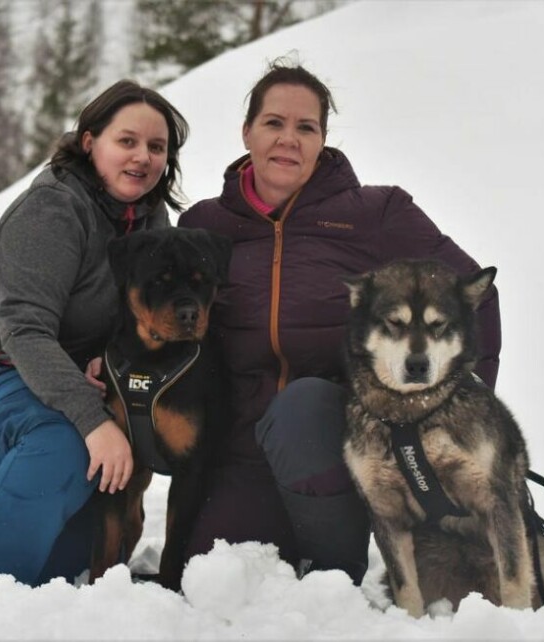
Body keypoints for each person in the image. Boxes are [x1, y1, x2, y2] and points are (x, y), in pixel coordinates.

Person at [176, 62, 501, 585]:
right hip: (241, 450)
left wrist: (464, 416)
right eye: (274, 123)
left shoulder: (376, 213)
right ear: (247, 132)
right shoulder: (204, 225)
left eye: (306, 127)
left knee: (301, 406)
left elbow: (472, 295)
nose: (289, 139)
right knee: (211, 583)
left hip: (344, 439)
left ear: (323, 140)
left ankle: (334, 573)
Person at [0, 80, 189, 600]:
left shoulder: (150, 219)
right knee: (66, 442)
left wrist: (106, 359)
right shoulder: (54, 208)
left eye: (157, 147)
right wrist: (93, 420)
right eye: (127, 141)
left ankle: (16, 524)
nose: (143, 156)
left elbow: (140, 318)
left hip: (54, 385)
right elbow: (24, 328)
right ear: (90, 142)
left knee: (79, 555)